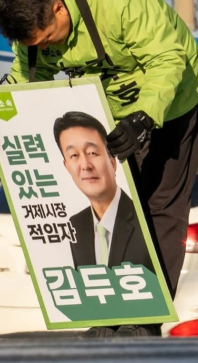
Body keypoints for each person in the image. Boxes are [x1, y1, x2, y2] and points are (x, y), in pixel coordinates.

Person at [0, 0, 198, 337]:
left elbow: (168, 60)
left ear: (58, 8)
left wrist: (143, 118)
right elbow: (25, 78)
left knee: (158, 205)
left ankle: (144, 319)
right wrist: (1, 122)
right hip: (109, 108)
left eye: (49, 41)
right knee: (113, 206)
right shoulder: (33, 23)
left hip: (172, 98)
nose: (47, 50)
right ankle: (108, 313)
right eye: (36, 46)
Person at [54, 111, 154, 274]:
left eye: (92, 153)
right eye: (74, 155)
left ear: (112, 162)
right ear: (66, 167)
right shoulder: (75, 225)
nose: (85, 165)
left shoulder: (145, 218)